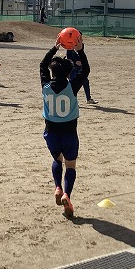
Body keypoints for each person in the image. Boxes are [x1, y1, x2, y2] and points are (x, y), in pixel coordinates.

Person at [40, 35, 89, 218]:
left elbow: (42, 65)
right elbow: (86, 70)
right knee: (71, 165)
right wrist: (80, 50)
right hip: (69, 132)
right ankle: (67, 194)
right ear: (69, 74)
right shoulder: (72, 86)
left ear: (52, 71)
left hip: (51, 133)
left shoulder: (45, 85)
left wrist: (54, 48)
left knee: (57, 159)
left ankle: (57, 187)